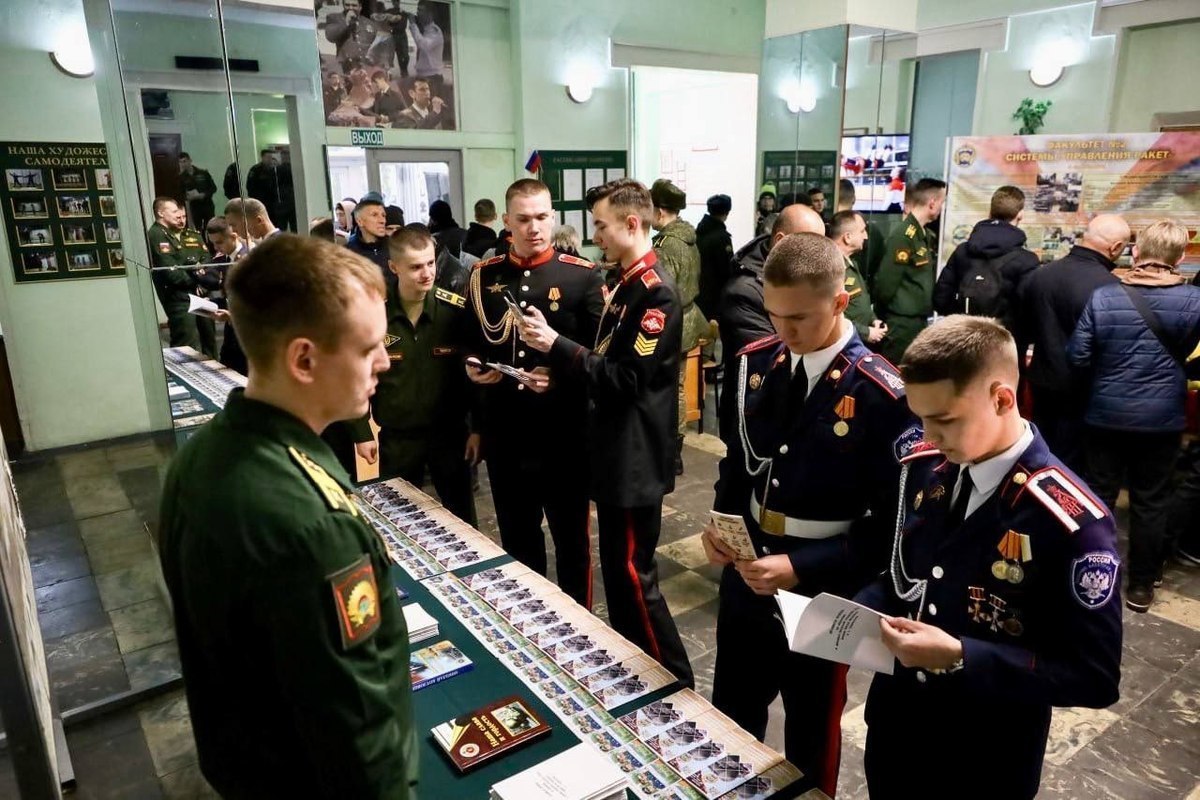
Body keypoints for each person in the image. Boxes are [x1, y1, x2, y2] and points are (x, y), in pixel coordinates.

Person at [158, 234, 417, 798]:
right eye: (367, 346)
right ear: (304, 358)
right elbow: (355, 727)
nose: (383, 361)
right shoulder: (311, 524)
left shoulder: (203, 454)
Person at [854, 316, 1122, 800]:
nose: (929, 435)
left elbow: (1093, 677)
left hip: (984, 755)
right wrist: (851, 614)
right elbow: (906, 573)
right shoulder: (925, 470)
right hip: (898, 727)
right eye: (920, 418)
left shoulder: (1067, 518)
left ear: (1001, 398)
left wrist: (962, 657)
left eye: (945, 419)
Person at [702, 233, 914, 796]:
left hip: (822, 587)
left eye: (798, 318)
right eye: (773, 314)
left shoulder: (882, 394)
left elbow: (892, 528)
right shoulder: (755, 364)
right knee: (732, 708)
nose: (783, 332)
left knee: (812, 722)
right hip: (747, 571)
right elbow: (738, 462)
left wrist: (802, 564)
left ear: (840, 302)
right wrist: (720, 526)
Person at [518, 178, 693, 686]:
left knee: (636, 575)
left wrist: (556, 346)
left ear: (632, 223)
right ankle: (635, 664)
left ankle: (673, 678)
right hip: (614, 451)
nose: (596, 236)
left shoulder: (656, 292)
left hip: (635, 456)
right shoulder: (623, 283)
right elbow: (606, 360)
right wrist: (559, 367)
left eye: (601, 225)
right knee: (618, 572)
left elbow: (627, 379)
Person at [462, 179, 604, 608]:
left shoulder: (581, 276)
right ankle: (533, 624)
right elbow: (471, 338)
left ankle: (580, 624)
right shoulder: (484, 276)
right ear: (507, 222)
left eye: (542, 217)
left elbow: (600, 360)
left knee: (573, 545)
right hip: (507, 433)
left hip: (563, 435)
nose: (534, 228)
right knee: (518, 543)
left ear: (554, 217)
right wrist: (471, 365)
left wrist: (559, 377)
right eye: (523, 219)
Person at [1067, 219, 1200, 611]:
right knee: (1151, 502)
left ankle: (1090, 573)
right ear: (1179, 257)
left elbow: (1078, 356)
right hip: (1162, 420)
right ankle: (1141, 585)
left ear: (1137, 252)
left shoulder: (1105, 297)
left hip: (1104, 415)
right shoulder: (1195, 302)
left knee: (1099, 494)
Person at [349, 226, 480, 526]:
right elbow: (356, 376)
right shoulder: (374, 315)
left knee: (462, 522)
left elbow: (471, 378)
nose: (427, 273)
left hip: (450, 436)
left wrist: (477, 428)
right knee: (397, 521)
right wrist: (361, 433)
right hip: (398, 438)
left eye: (431, 263)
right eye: (416, 266)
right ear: (394, 267)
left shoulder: (454, 312)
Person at [1015, 213, 1130, 474]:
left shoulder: (1038, 276)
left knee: (1039, 455)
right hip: (1085, 392)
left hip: (1041, 383)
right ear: (1115, 248)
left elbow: (1020, 334)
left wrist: (1020, 379)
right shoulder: (1112, 288)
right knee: (1074, 467)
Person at [716, 203, 825, 442]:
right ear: (780, 241)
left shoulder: (801, 280)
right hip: (756, 414)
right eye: (811, 247)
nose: (820, 257)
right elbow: (778, 358)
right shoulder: (745, 292)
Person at [650, 179, 707, 476]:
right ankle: (674, 451)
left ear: (659, 211)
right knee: (679, 387)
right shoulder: (687, 238)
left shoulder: (666, 245)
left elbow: (662, 291)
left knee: (670, 390)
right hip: (688, 319)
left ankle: (671, 453)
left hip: (673, 324)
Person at [933, 185, 1039, 330]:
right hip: (1005, 344)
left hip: (962, 337)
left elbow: (941, 299)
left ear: (990, 211)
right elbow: (1028, 311)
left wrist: (963, 321)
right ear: (1020, 214)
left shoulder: (962, 251)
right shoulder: (1027, 260)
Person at [873, 177, 947, 363]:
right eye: (941, 203)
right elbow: (886, 283)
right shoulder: (904, 236)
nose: (941, 208)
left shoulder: (922, 235)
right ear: (932, 204)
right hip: (901, 322)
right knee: (895, 374)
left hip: (915, 320)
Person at [147, 197, 213, 356]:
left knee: (209, 339)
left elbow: (206, 259)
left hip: (201, 293)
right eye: (174, 211)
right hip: (178, 296)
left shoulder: (190, 234)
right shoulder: (156, 234)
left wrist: (202, 284)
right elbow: (171, 270)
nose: (179, 216)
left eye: (180, 212)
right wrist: (195, 282)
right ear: (161, 213)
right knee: (186, 342)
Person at [828, 209, 886, 347]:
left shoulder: (851, 263)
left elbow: (860, 300)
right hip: (844, 344)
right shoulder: (831, 268)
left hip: (857, 341)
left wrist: (873, 320)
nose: (865, 236)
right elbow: (831, 316)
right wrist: (866, 332)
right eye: (862, 231)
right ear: (847, 237)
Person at [203, 216, 249, 375]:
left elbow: (255, 303)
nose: (216, 247)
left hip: (247, 333)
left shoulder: (247, 260)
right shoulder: (225, 260)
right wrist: (211, 303)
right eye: (213, 243)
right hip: (232, 333)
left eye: (220, 242)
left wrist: (231, 316)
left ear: (234, 236)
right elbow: (230, 297)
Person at [695, 193, 733, 320]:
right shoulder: (722, 238)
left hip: (699, 294)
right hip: (715, 298)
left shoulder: (698, 232)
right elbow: (726, 271)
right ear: (727, 212)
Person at [346, 192, 391, 278]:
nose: (382, 221)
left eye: (383, 215)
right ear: (360, 221)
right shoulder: (348, 254)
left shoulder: (395, 247)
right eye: (374, 215)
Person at [408, 1, 446, 97]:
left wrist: (413, 25)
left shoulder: (434, 31)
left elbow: (424, 45)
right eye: (418, 10)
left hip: (432, 78)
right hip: (424, 76)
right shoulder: (425, 30)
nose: (418, 14)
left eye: (421, 11)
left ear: (430, 14)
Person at [245, 150, 285, 229]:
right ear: (262, 157)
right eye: (267, 157)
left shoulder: (275, 169)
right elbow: (250, 186)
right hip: (262, 201)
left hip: (274, 203)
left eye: (271, 157)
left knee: (275, 223)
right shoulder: (256, 170)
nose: (269, 159)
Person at [179, 152, 217, 232]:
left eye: (185, 161)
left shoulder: (203, 173)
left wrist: (203, 195)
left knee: (211, 227)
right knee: (198, 229)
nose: (183, 164)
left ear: (190, 160)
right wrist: (187, 197)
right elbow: (180, 193)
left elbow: (213, 188)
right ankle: (202, 244)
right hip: (195, 207)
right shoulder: (181, 177)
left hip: (207, 204)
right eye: (181, 162)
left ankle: (211, 244)